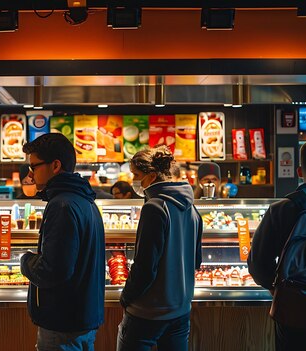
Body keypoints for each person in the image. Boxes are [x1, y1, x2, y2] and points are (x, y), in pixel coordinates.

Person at [248, 138, 306, 351]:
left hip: (291, 309)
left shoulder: (280, 209)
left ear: (299, 171)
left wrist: (276, 286)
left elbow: (258, 264)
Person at [20, 133, 105, 351]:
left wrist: (26, 260)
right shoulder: (85, 201)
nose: (30, 174)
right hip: (82, 318)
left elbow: (54, 270)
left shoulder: (62, 205)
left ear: (55, 165)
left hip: (62, 323)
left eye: (35, 166)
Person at [117, 145, 202, 351]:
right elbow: (196, 261)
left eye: (136, 175)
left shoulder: (154, 207)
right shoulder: (191, 207)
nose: (134, 181)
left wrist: (126, 297)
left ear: (152, 176)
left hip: (147, 312)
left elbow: (145, 267)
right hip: (180, 311)